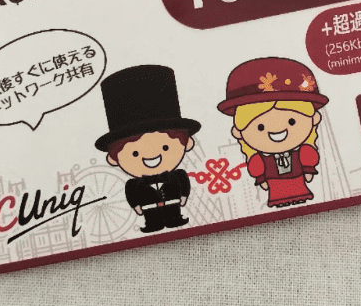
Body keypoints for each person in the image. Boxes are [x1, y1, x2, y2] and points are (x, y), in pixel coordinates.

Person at [95, 65, 201, 233]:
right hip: (149, 209)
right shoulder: (134, 184)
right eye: (135, 153)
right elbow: (132, 194)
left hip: (173, 205)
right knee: (153, 220)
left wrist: (182, 197)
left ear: (187, 143)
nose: (151, 155)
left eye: (165, 147)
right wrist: (137, 206)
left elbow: (184, 184)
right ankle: (152, 224)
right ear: (113, 158)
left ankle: (175, 219)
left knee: (174, 216)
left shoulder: (177, 175)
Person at [217, 57, 328, 208]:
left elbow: (308, 157)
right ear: (238, 131)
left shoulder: (302, 151)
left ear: (314, 118)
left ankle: (299, 196)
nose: (277, 131)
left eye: (292, 121)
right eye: (260, 127)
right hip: (275, 183)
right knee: (278, 193)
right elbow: (257, 166)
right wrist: (262, 179)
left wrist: (308, 169)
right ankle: (280, 200)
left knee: (299, 189)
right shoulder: (261, 159)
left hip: (297, 179)